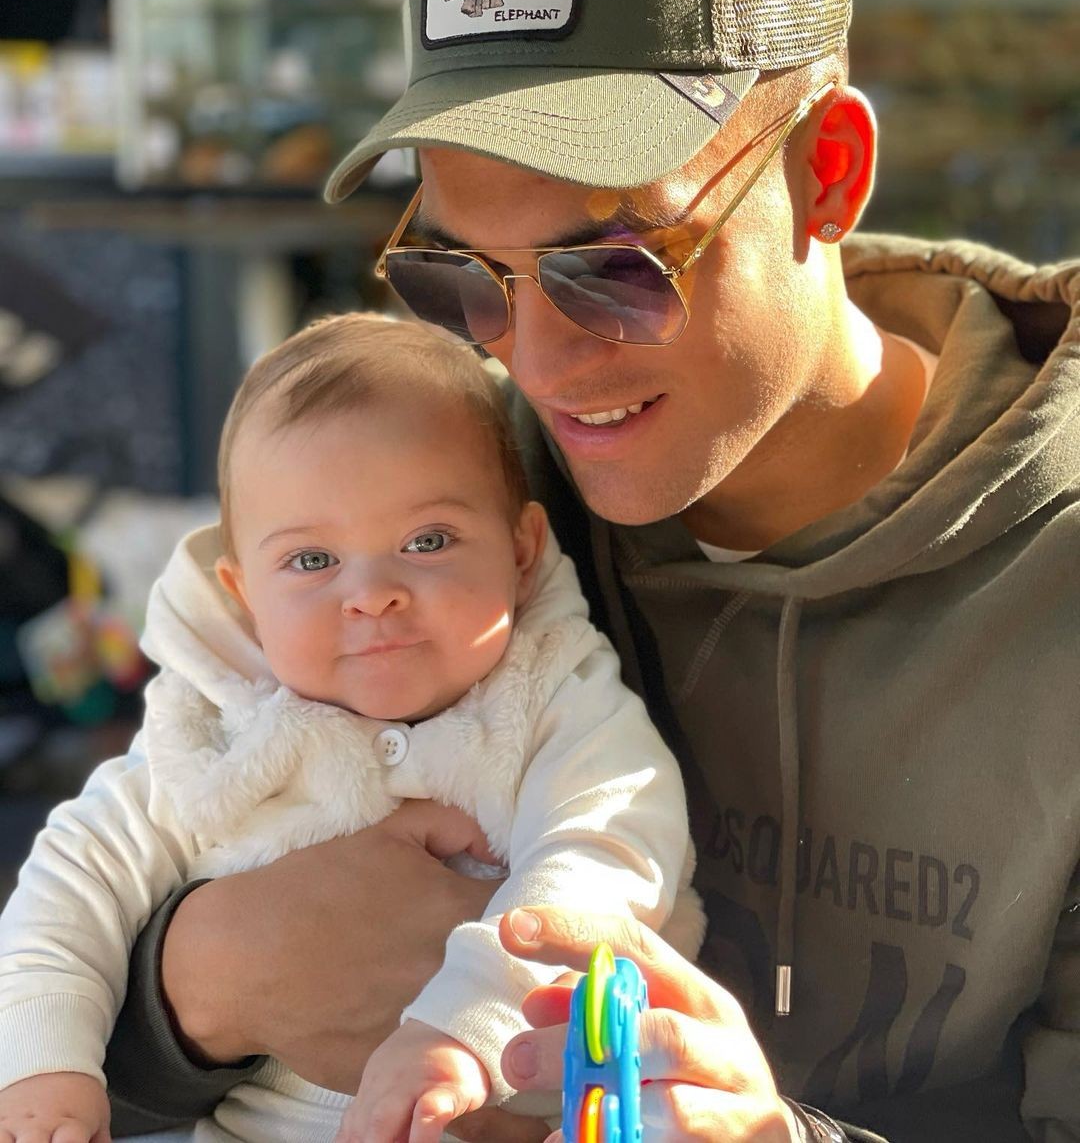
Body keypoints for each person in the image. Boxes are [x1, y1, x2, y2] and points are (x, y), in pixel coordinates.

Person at [98, 0, 1080, 1140]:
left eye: (614, 266)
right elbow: (110, 903)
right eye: (459, 275)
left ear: (830, 173)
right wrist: (195, 981)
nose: (537, 358)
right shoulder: (445, 501)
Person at [0, 314, 701, 1143]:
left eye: (427, 541)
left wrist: (460, 1031)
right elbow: (73, 880)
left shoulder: (558, 700)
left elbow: (606, 858)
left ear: (520, 551)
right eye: (311, 560)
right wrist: (42, 1066)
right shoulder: (215, 734)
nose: (371, 594)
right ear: (243, 594)